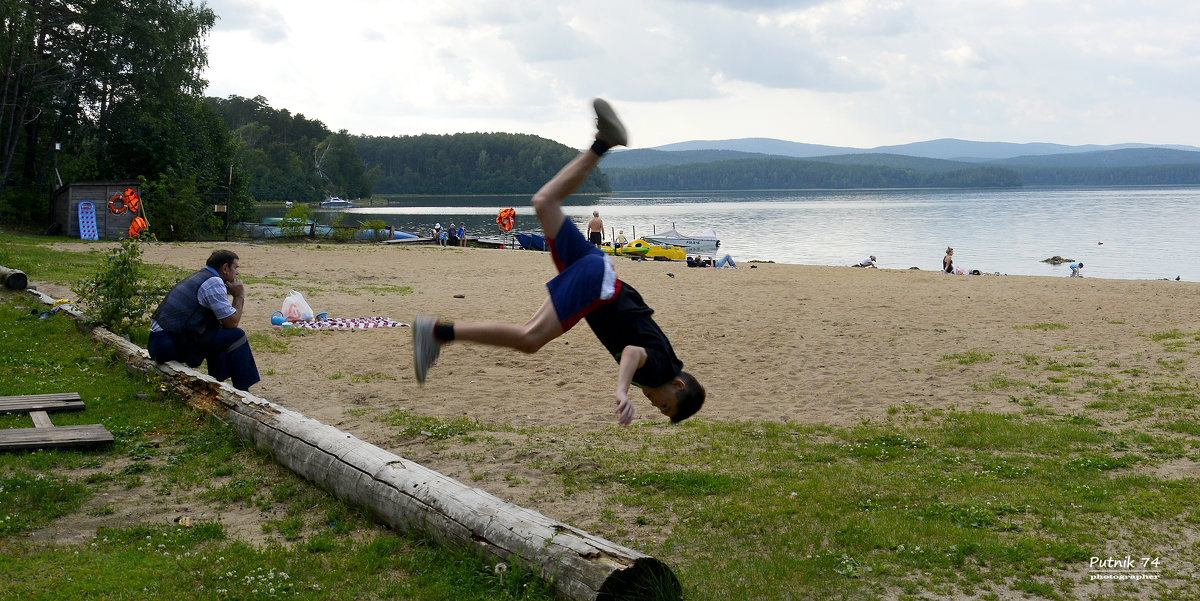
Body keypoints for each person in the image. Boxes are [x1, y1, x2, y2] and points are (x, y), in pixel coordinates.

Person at [412, 99, 704, 426]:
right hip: (598, 286)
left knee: (544, 201)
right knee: (529, 339)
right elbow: (633, 353)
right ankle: (437, 333)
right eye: (666, 406)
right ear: (677, 385)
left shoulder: (663, 366)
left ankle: (603, 142)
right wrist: (621, 390)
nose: (656, 406)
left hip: (600, 272)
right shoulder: (660, 370)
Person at [147, 250, 260, 391]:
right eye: (235, 268)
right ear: (225, 268)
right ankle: (243, 391)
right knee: (237, 335)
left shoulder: (202, 276)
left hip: (158, 342)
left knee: (216, 334)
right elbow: (232, 322)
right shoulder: (214, 282)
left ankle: (217, 383)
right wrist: (239, 296)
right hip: (167, 344)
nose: (237, 273)